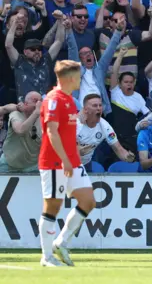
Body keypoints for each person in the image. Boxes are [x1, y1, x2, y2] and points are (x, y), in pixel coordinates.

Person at [38, 60, 95, 268]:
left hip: (72, 160)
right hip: (55, 162)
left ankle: (60, 242)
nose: (80, 80)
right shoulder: (53, 99)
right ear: (71, 78)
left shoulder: (70, 100)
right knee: (52, 206)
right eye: (79, 76)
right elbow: (52, 132)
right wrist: (64, 160)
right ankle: (46, 256)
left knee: (88, 200)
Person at [76, 94, 135, 172]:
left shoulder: (105, 127)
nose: (98, 108)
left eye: (100, 105)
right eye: (94, 106)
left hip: (86, 164)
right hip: (66, 163)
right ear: (85, 109)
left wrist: (127, 157)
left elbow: (118, 149)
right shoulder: (76, 124)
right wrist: (76, 151)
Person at [0, 92, 42, 173]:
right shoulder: (16, 113)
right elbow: (20, 130)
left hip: (33, 166)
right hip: (9, 163)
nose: (38, 104)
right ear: (25, 103)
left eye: (40, 100)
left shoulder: (44, 117)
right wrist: (36, 113)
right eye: (35, 101)